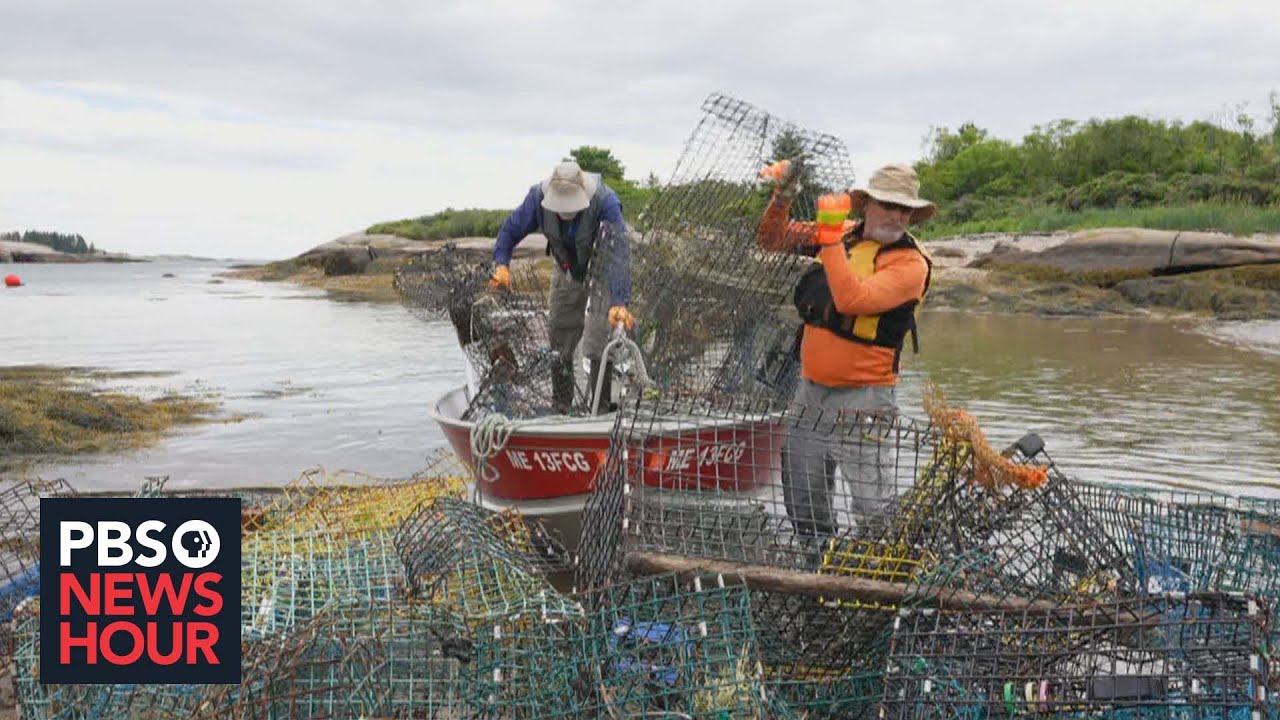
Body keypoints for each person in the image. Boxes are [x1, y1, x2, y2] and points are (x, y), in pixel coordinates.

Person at [756, 161, 935, 544]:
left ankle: (880, 578)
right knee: (803, 493)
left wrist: (829, 236)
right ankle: (817, 565)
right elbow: (771, 239)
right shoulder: (846, 236)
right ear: (866, 204)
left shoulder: (910, 264)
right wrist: (783, 197)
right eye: (888, 204)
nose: (896, 215)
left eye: (904, 209)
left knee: (873, 506)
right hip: (810, 391)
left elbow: (852, 300)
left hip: (866, 399)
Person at [490, 160, 635, 413]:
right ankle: (562, 406)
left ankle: (599, 408)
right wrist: (501, 264)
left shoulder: (605, 201)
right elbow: (510, 229)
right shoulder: (537, 197)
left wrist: (619, 302)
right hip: (566, 266)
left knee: (598, 337)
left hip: (603, 268)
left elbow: (620, 254)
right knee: (560, 332)